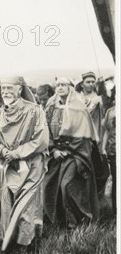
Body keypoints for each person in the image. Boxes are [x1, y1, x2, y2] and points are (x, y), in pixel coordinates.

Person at [0, 76, 49, 254]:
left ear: (20, 89)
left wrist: (17, 153)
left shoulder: (35, 111)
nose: (5, 91)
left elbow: (41, 140)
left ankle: (24, 243)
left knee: (26, 205)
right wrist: (2, 151)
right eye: (2, 88)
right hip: (6, 166)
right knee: (5, 203)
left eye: (9, 88)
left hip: (30, 165)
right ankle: (9, 239)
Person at [43, 78, 101, 228]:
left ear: (70, 88)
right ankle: (58, 220)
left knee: (67, 186)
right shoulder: (51, 108)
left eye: (64, 85)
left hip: (75, 154)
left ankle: (79, 222)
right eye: (58, 85)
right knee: (50, 185)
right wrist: (54, 150)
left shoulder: (78, 107)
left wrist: (67, 150)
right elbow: (45, 131)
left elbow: (83, 135)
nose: (60, 88)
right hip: (55, 155)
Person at [102, 87, 116, 214]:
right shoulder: (110, 112)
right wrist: (103, 148)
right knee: (116, 180)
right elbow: (106, 131)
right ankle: (115, 213)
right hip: (113, 151)